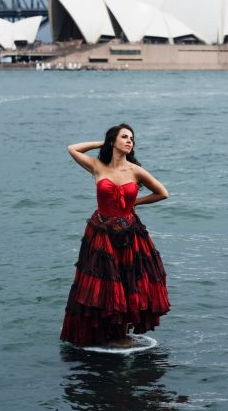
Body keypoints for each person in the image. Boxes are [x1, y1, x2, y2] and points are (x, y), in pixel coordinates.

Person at [60, 123, 170, 347]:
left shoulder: (136, 170)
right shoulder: (98, 166)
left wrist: (136, 201)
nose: (130, 141)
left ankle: (123, 333)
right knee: (103, 283)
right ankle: (103, 332)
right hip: (101, 233)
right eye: (124, 137)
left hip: (130, 233)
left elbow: (162, 193)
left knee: (129, 281)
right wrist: (102, 143)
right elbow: (73, 148)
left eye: (132, 138)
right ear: (113, 141)